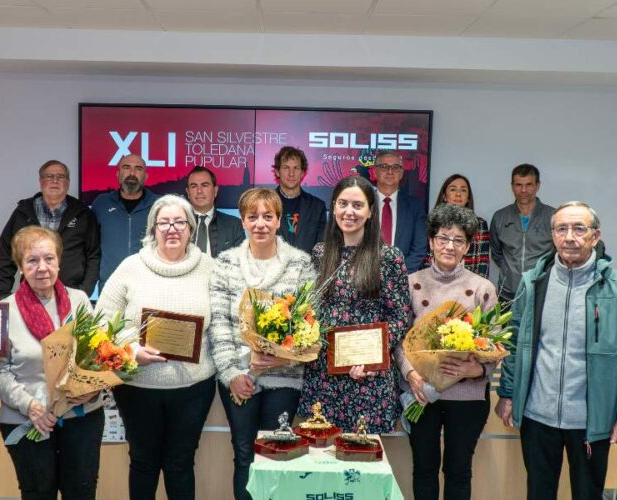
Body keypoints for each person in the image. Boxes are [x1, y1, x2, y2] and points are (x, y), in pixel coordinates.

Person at [495, 201, 617, 500]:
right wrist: (507, 393)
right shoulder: (533, 281)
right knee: (538, 493)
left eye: (579, 229)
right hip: (537, 414)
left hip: (591, 420)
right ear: (553, 235)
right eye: (561, 229)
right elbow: (513, 342)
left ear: (595, 236)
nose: (569, 237)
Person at [96, 194, 216, 500]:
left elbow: (223, 324)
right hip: (138, 387)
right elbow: (100, 324)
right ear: (153, 228)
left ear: (191, 228)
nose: (172, 229)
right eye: (164, 222)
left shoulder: (210, 268)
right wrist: (131, 349)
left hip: (193, 388)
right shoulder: (131, 267)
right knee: (143, 463)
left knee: (180, 464)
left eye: (179, 222)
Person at [209, 188, 317, 500]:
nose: (260, 223)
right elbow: (218, 325)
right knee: (244, 454)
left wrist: (282, 359)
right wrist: (233, 375)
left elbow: (308, 326)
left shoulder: (300, 264)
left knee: (275, 455)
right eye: (253, 216)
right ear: (242, 221)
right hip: (239, 379)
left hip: (284, 379)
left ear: (279, 221)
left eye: (268, 216)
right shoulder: (225, 264)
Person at [0, 226, 103, 500]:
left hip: (82, 416)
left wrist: (94, 388)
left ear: (59, 261)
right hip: (28, 420)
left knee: (82, 492)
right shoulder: (3, 310)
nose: (42, 267)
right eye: (32, 260)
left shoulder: (80, 301)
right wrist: (32, 407)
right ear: (19, 266)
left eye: (49, 258)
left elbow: (97, 356)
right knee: (38, 493)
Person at [395, 204, 498, 500]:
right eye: (442, 238)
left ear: (467, 246)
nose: (449, 246)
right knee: (424, 468)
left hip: (467, 396)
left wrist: (476, 370)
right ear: (430, 241)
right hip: (422, 394)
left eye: (457, 240)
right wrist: (411, 375)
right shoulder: (412, 284)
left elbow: (493, 345)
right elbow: (400, 340)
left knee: (459, 470)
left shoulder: (482, 288)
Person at [297, 175, 412, 434]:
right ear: (334, 207)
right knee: (322, 462)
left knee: (362, 466)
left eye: (358, 205)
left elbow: (399, 317)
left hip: (367, 380)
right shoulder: (319, 253)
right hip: (323, 379)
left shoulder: (389, 258)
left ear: (371, 211)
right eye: (343, 204)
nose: (349, 212)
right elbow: (310, 313)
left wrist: (369, 360)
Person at [0, 160, 101, 300]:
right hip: (31, 296)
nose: (55, 181)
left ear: (68, 183)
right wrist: (2, 294)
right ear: (40, 181)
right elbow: (6, 254)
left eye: (60, 177)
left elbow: (94, 256)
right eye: (49, 176)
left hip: (71, 296)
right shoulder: (23, 212)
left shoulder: (83, 213)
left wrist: (83, 293)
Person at [489, 164, 555, 302]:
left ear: (538, 186)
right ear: (512, 186)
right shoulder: (500, 217)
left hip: (542, 293)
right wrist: (510, 272)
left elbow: (558, 253)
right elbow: (496, 252)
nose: (524, 190)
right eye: (519, 185)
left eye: (529, 184)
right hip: (508, 294)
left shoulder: (553, 217)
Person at [92, 153, 158, 287]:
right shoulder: (101, 203)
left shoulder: (159, 205)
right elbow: (91, 248)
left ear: (146, 176)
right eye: (126, 167)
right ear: (118, 174)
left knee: (150, 310)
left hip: (150, 287)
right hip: (110, 286)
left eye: (138, 169)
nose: (132, 173)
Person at [373, 150, 427, 272]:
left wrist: (398, 274)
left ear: (401, 173)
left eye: (396, 167)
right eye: (384, 167)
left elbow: (419, 249)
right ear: (374, 171)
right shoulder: (363, 204)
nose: (390, 171)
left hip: (402, 279)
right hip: (366, 277)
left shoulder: (415, 207)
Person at [429, 174, 491, 277]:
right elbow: (427, 259)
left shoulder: (479, 225)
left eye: (463, 190)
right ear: (444, 196)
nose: (458, 194)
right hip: (436, 283)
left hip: (469, 286)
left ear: (468, 198)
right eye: (453, 190)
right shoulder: (434, 222)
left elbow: (482, 264)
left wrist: (475, 288)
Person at [272, 146, 327, 254]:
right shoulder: (264, 204)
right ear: (277, 172)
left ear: (302, 173)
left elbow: (321, 248)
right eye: (286, 168)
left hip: (307, 269)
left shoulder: (317, 207)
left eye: (296, 168)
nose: (291, 173)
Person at [185, 166, 245, 257]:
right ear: (188, 193)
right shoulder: (177, 224)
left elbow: (240, 263)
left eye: (205, 185)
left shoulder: (234, 225)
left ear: (215, 191)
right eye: (194, 186)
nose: (199, 191)